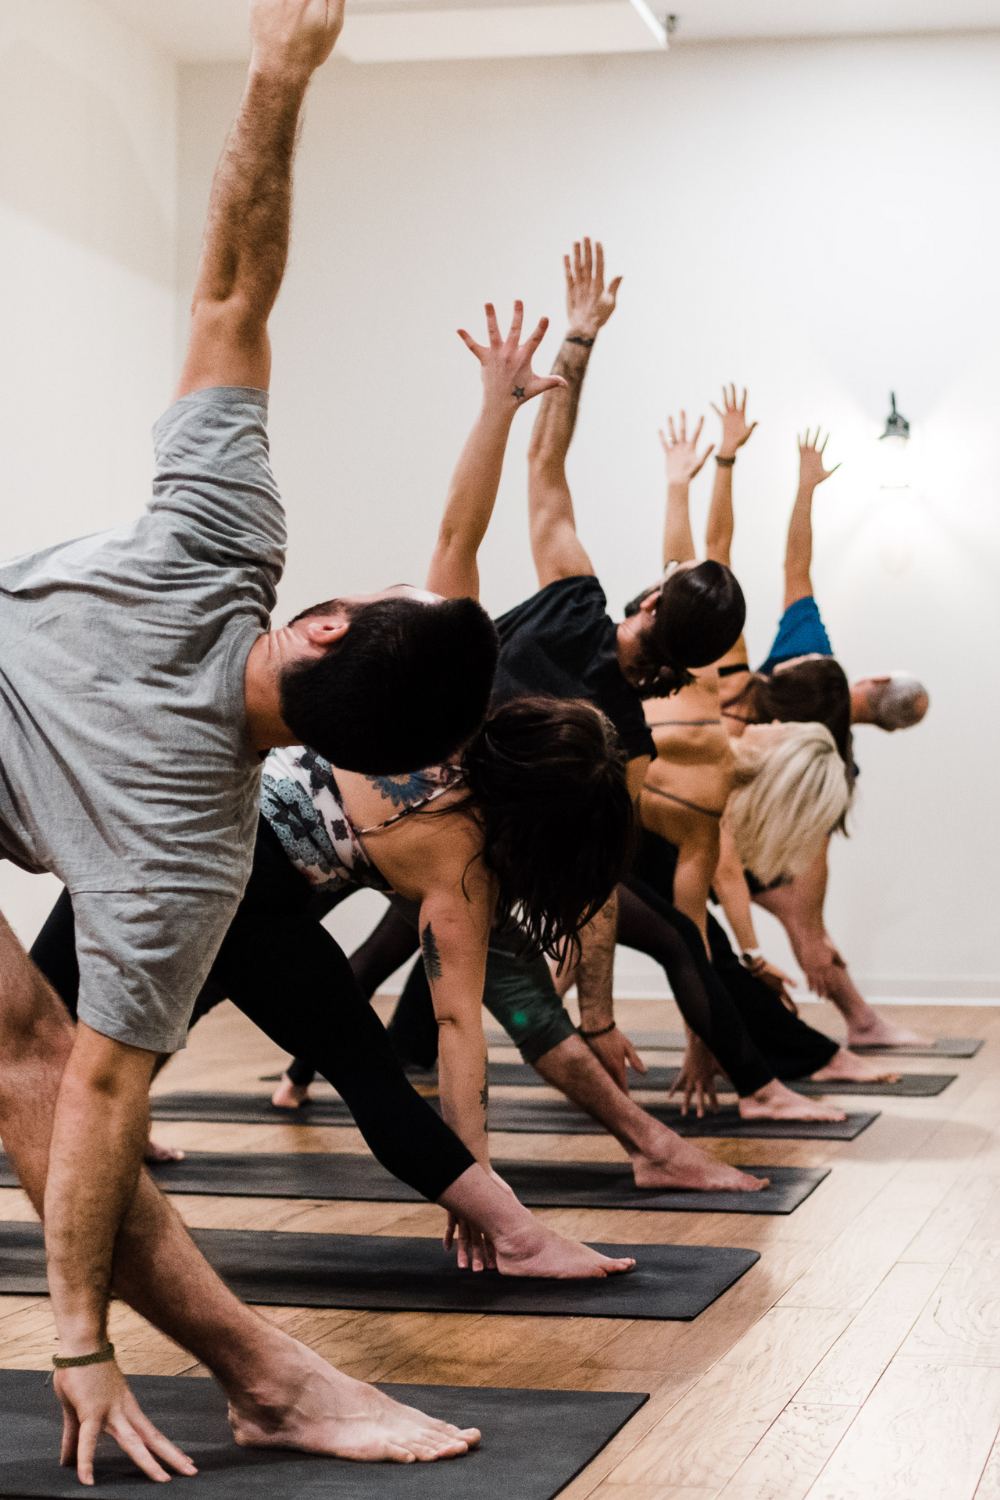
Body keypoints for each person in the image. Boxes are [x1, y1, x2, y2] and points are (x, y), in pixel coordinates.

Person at [0, 1, 513, 1478]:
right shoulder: (196, 861)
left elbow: (234, 284)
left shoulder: (220, 545)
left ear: (329, 621)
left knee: (27, 1047)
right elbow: (105, 1097)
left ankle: (270, 1375)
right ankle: (270, 1378)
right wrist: (74, 1336)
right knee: (38, 1053)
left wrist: (281, 70)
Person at [32, 301, 642, 1269]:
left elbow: (459, 529)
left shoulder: (440, 692)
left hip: (203, 857)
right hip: (248, 896)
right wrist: (474, 1177)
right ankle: (515, 1233)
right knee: (360, 1070)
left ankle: (120, 1128)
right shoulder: (464, 861)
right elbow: (457, 1033)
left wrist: (497, 403)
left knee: (46, 1026)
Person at [705, 395, 931, 1046]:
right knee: (802, 924)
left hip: (716, 830)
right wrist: (810, 922)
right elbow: (813, 852)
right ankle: (860, 1020)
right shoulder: (837, 763)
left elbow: (791, 565)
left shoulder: (807, 658)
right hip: (744, 845)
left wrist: (805, 486)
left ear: (876, 681)